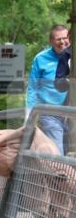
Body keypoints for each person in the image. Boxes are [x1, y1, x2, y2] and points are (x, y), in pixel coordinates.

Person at [26, 24, 71, 153]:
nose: (63, 42)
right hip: (50, 112)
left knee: (70, 150)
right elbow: (32, 88)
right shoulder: (40, 59)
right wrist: (29, 114)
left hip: (70, 111)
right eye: (58, 39)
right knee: (57, 149)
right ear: (51, 41)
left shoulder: (72, 57)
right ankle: (60, 173)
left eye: (65, 38)